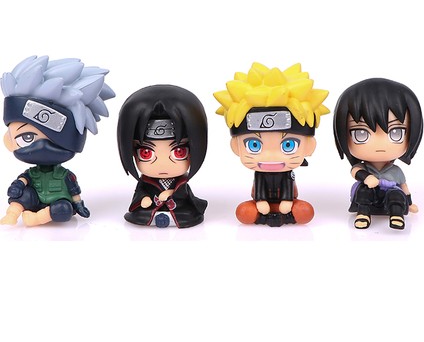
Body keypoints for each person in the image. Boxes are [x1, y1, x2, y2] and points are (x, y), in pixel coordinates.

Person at [1, 55, 115, 226]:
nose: (8, 142)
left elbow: (74, 191)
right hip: (34, 197)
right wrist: (18, 185)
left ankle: (37, 218)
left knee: (63, 209)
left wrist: (78, 204)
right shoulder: (32, 173)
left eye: (27, 137)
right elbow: (24, 180)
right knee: (23, 195)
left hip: (57, 200)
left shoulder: (64, 175)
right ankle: (12, 214)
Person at [214, 62, 330, 226]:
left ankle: (284, 215)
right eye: (254, 145)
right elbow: (259, 185)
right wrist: (260, 201)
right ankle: (266, 215)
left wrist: (287, 201)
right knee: (245, 212)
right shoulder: (260, 173)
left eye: (288, 145)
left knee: (305, 211)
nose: (270, 156)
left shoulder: (288, 173)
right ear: (235, 146)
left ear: (309, 146)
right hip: (262, 204)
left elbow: (288, 184)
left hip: (286, 203)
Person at [333, 77, 423, 230]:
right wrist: (366, 177)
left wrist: (409, 203)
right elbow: (355, 171)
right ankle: (363, 213)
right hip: (369, 195)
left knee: (396, 194)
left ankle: (396, 215)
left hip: (389, 196)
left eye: (396, 132)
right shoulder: (364, 167)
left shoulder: (396, 172)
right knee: (364, 191)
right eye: (361, 133)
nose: (379, 144)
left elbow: (404, 186)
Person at [117, 84, 208, 228]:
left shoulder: (180, 183)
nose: (162, 164)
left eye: (179, 152)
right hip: (150, 210)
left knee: (186, 214)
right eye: (146, 153)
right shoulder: (145, 182)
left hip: (179, 209)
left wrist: (171, 192)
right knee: (142, 214)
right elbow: (140, 192)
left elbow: (183, 194)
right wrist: (144, 199)